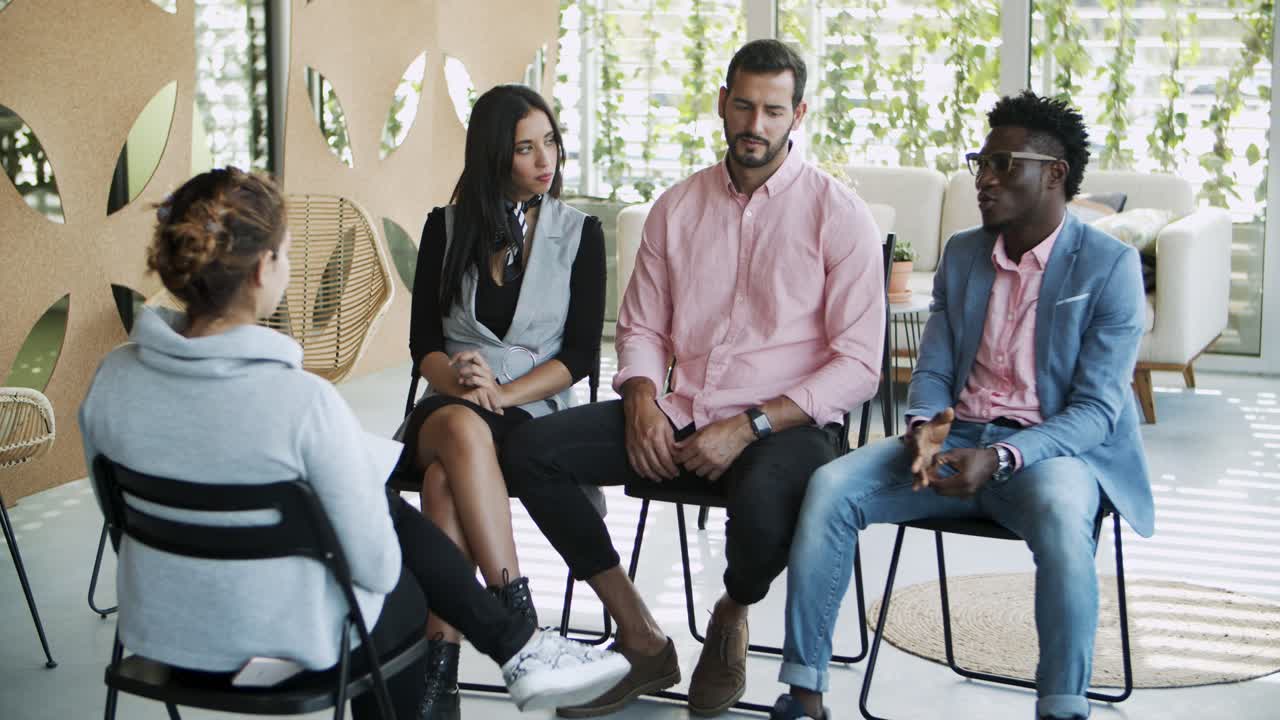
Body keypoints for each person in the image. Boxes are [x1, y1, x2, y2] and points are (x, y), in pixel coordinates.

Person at [78, 167, 628, 720]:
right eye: (286, 254)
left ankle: (519, 644)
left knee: (377, 501)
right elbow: (377, 567)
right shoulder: (302, 404)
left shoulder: (111, 381)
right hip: (283, 647)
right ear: (264, 269)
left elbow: (120, 519)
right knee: (403, 576)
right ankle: (519, 646)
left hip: (164, 639)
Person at [502, 39, 885, 718]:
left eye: (773, 111)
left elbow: (858, 364)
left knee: (764, 506)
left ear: (798, 115)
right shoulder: (677, 208)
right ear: (723, 103)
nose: (755, 124)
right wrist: (642, 400)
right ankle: (641, 635)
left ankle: (731, 612)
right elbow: (642, 328)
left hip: (785, 424)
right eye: (744, 106)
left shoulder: (839, 214)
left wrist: (750, 425)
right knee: (530, 450)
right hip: (681, 412)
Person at [773, 92, 1153, 720]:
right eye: (982, 162)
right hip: (953, 440)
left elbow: (1095, 412)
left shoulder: (1109, 266)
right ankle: (804, 693)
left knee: (1065, 520)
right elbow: (934, 369)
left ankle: (1062, 707)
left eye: (1004, 164)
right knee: (831, 487)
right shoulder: (963, 253)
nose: (985, 178)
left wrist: (1001, 458)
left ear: (1054, 174)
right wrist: (925, 428)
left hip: (1049, 453)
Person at [395, 83, 606, 720]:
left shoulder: (580, 234)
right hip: (447, 403)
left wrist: (502, 392)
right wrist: (462, 379)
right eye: (525, 148)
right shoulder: (445, 227)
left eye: (551, 142)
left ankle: (440, 676)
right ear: (493, 155)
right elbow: (424, 344)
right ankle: (520, 626)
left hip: (532, 412)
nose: (546, 159)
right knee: (461, 430)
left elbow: (579, 357)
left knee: (443, 481)